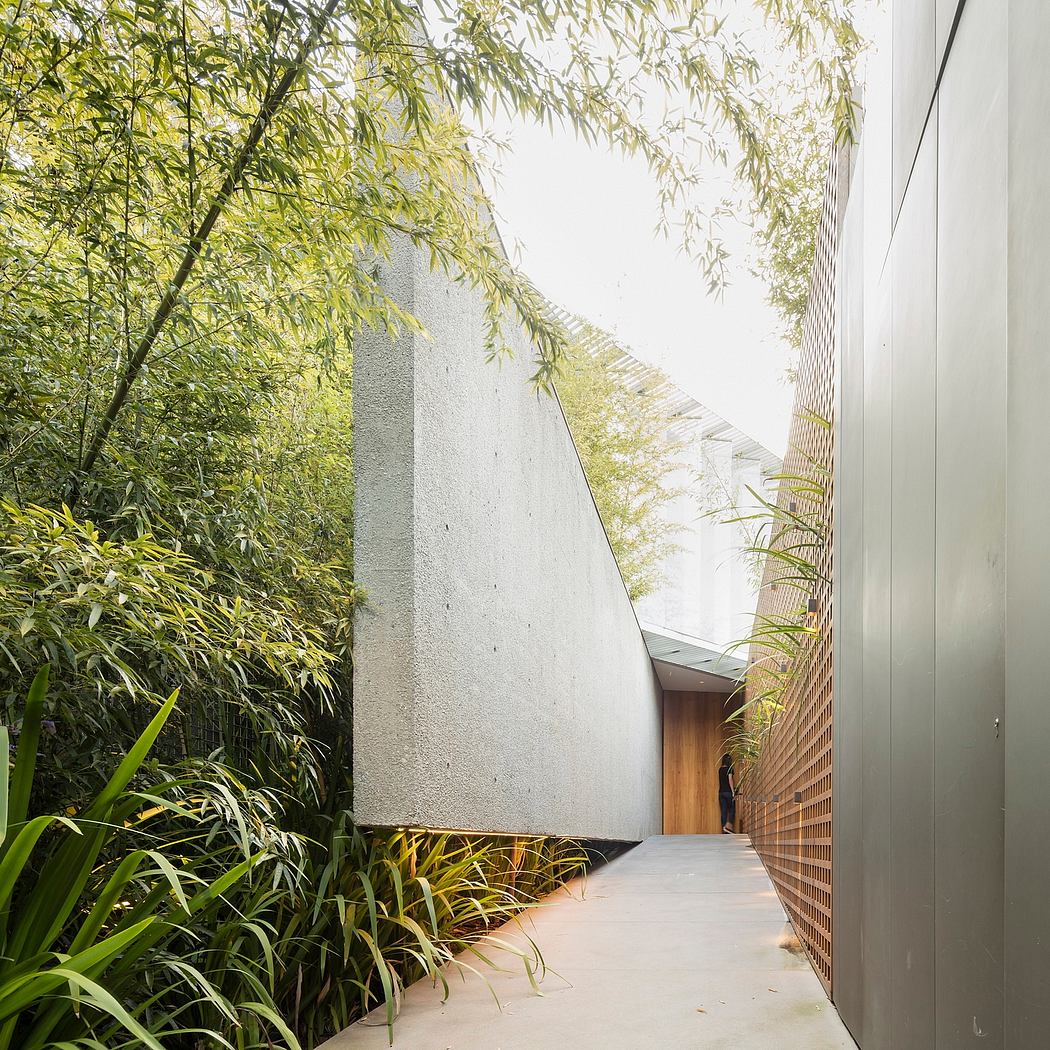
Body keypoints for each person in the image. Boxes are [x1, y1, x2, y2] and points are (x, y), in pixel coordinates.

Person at [718, 753, 736, 834]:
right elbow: (730, 780)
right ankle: (728, 827)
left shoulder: (720, 769)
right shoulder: (730, 769)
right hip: (728, 792)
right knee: (732, 809)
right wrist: (733, 791)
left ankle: (724, 829)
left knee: (723, 811)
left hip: (721, 793)